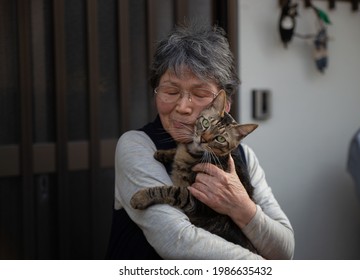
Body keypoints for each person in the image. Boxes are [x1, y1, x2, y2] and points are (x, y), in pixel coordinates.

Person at [106, 22, 294, 260]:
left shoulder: (245, 156)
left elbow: (284, 249)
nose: (183, 106)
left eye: (200, 94)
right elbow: (177, 241)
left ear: (224, 105)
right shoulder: (137, 146)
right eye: (171, 92)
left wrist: (242, 207)